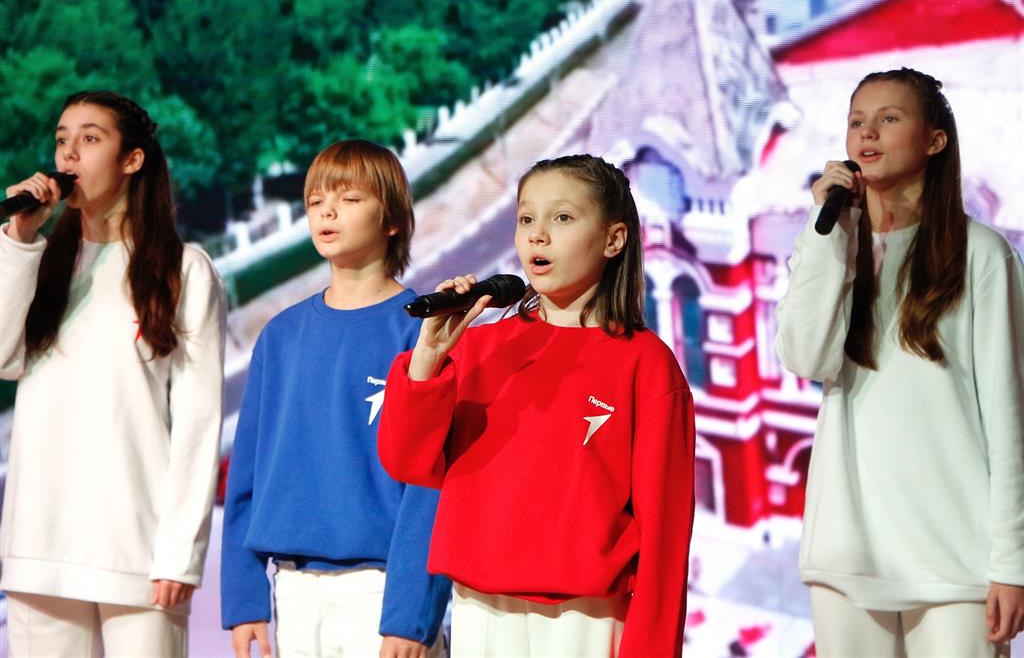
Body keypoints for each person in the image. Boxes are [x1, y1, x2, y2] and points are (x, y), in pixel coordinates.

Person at [378, 154, 696, 657]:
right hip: (480, 611)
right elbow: (407, 461)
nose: (537, 236)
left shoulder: (646, 364)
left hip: (584, 620)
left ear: (614, 239)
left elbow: (665, 537)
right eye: (526, 218)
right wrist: (428, 358)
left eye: (562, 217)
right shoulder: (479, 348)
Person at [775, 68, 1024, 656]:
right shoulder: (832, 245)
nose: (867, 133)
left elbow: (1010, 416)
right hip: (848, 551)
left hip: (956, 558)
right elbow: (804, 355)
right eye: (857, 121)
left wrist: (1012, 561)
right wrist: (829, 237)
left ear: (935, 140)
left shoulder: (982, 255)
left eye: (889, 118)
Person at [0, 90, 226, 657]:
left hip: (137, 554)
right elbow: (3, 357)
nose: (69, 153)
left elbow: (198, 424)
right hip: (39, 548)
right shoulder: (38, 261)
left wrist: (180, 554)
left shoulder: (183, 270)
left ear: (132, 159)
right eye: (61, 139)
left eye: (90, 138)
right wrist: (19, 241)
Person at [220, 139, 450, 658]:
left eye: (348, 198)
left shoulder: (424, 332)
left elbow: (431, 486)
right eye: (316, 200)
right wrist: (245, 598)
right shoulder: (280, 337)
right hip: (295, 591)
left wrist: (411, 612)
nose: (327, 210)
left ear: (393, 220)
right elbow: (247, 475)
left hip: (385, 591)